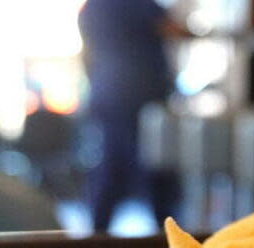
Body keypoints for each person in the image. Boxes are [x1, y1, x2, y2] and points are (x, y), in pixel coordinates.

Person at [78, 0, 190, 232]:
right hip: (137, 94)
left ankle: (97, 233)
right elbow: (171, 28)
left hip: (106, 91)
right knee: (153, 163)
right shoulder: (134, 3)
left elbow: (86, 54)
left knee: (113, 161)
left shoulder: (91, 7)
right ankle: (167, 235)